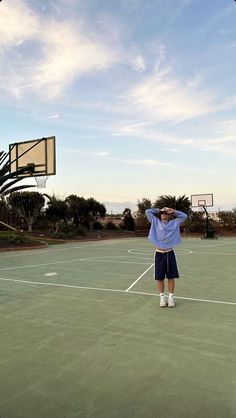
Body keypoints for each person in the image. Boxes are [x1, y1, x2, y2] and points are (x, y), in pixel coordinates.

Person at [145, 207, 188, 308]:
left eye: (166, 213)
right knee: (159, 277)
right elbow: (147, 211)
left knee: (171, 276)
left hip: (169, 253)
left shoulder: (174, 223)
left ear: (169, 215)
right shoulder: (155, 222)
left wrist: (173, 211)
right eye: (162, 213)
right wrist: (159, 209)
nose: (164, 214)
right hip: (159, 253)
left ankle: (171, 298)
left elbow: (184, 216)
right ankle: (162, 298)